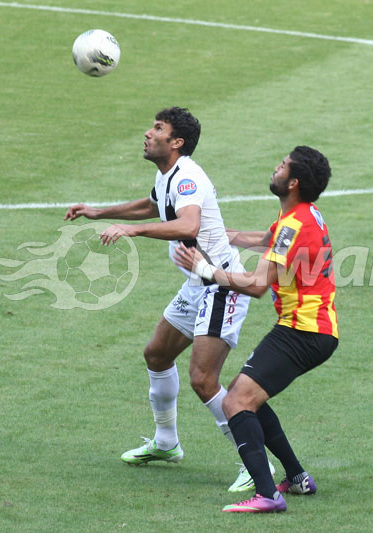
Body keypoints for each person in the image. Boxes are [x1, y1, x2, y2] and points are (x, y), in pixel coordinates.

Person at [63, 106, 273, 493]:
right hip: (197, 284)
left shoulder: (188, 176)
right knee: (157, 354)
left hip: (221, 285)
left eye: (157, 128)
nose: (148, 133)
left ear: (176, 142)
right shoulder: (168, 177)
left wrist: (133, 230)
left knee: (203, 379)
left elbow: (188, 224)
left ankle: (257, 465)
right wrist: (98, 212)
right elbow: (153, 204)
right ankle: (166, 444)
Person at [174, 146, 338, 513]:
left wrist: (205, 269)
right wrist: (219, 236)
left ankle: (268, 495)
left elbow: (257, 285)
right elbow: (263, 239)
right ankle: (296, 477)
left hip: (303, 332)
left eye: (281, 166)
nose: (274, 168)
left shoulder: (294, 223)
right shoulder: (303, 214)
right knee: (245, 395)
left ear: (292, 182)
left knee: (236, 402)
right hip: (312, 329)